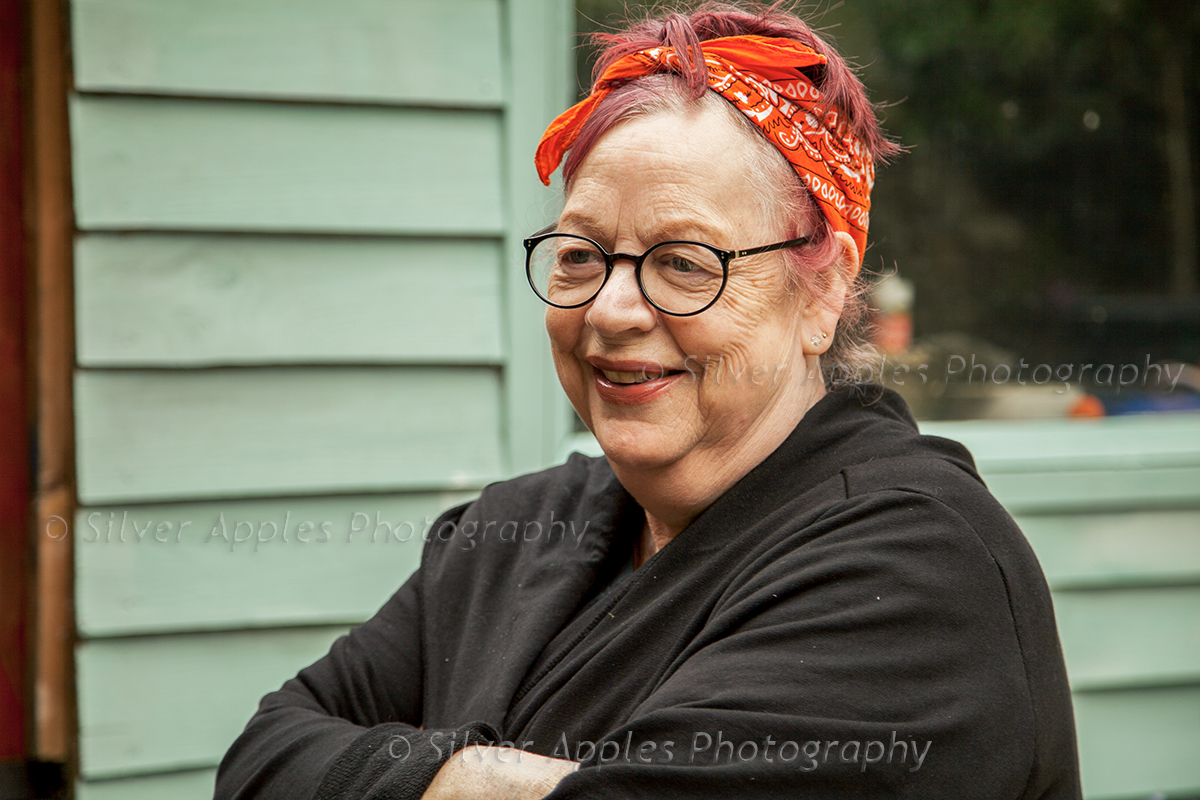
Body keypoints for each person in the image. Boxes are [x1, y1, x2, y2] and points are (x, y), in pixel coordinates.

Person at [215, 3, 1082, 798]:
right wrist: (475, 776)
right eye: (581, 254)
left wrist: (403, 768)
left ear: (821, 295)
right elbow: (261, 758)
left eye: (683, 262)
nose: (611, 310)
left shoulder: (917, 571)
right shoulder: (513, 533)